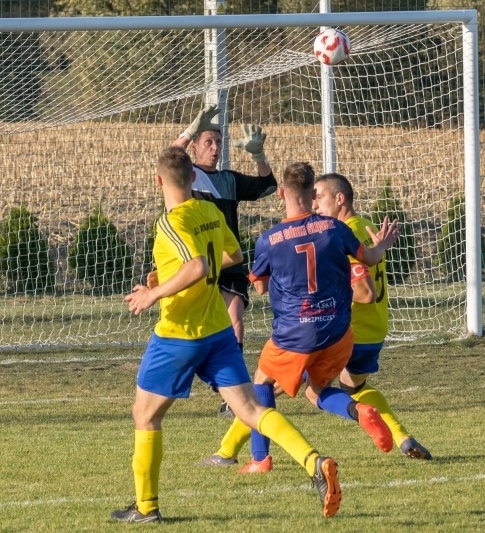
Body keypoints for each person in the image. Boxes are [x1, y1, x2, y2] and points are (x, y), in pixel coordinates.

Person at [111, 147, 342, 523]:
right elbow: (232, 256)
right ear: (192, 178)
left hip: (179, 335)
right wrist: (170, 277)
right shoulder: (211, 211)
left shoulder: (170, 221)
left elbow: (199, 265)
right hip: (219, 331)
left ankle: (146, 507)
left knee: (145, 416)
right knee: (251, 410)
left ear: (159, 181)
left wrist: (154, 292)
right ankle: (313, 461)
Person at [203, 162, 401, 473]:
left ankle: (260, 459)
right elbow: (371, 258)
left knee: (262, 381)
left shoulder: (270, 239)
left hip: (295, 333)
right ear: (312, 194)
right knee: (316, 391)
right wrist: (383, 244)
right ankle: (359, 410)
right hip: (338, 332)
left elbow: (260, 288)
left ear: (281, 193)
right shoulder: (335, 229)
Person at [314, 172, 432, 460]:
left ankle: (233, 452)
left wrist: (322, 292)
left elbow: (364, 291)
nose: (315, 204)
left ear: (339, 199)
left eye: (319, 197)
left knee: (278, 384)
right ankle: (402, 436)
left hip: (350, 332)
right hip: (374, 330)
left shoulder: (347, 234)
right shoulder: (366, 226)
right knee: (355, 387)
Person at [173, 105, 277, 418]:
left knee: (234, 323)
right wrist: (190, 130)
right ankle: (200, 380)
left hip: (229, 263)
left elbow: (267, 186)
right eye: (208, 141)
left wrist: (259, 156)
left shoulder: (229, 179)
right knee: (194, 328)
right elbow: (167, 159)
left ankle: (231, 397)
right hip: (197, 264)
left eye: (218, 142)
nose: (215, 147)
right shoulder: (187, 178)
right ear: (194, 147)